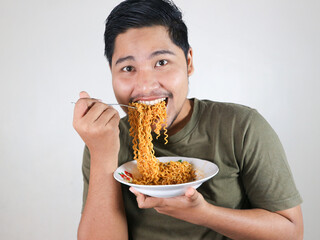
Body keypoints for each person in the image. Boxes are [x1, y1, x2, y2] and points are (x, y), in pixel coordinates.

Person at [72, 0, 304, 239]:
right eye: (128, 68)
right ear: (111, 71)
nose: (146, 86)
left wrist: (203, 213)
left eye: (161, 62)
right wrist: (102, 154)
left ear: (189, 62)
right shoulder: (104, 138)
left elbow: (292, 232)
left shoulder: (242, 127)